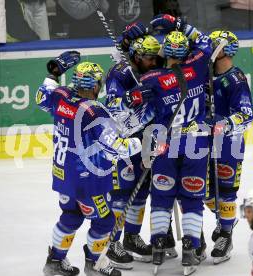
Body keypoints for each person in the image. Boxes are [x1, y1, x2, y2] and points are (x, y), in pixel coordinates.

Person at [35, 51, 142, 276]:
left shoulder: (61, 96)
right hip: (89, 180)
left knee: (71, 215)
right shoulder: (94, 111)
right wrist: (143, 143)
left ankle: (54, 261)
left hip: (63, 174)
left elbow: (41, 98)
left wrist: (53, 74)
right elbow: (117, 147)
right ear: (96, 85)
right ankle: (95, 264)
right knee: (104, 221)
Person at [123, 14, 212, 275]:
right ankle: (191, 249)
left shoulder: (152, 78)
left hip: (165, 145)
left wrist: (135, 95)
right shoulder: (197, 65)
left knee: (161, 197)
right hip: (196, 144)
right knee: (192, 199)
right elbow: (206, 43)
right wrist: (182, 25)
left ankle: (159, 245)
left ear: (165, 52)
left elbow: (133, 105)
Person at [102, 22, 165, 269]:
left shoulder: (151, 68)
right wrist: (132, 98)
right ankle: (111, 242)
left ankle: (131, 237)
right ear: (137, 56)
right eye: (149, 58)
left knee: (141, 190)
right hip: (122, 140)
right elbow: (113, 105)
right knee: (121, 193)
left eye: (155, 58)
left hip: (146, 138)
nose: (154, 62)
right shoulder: (119, 71)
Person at [205, 29, 253, 265]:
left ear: (227, 50)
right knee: (201, 191)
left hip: (229, 144)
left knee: (226, 191)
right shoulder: (205, 76)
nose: (210, 48)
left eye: (215, 45)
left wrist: (223, 124)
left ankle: (225, 234)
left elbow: (246, 115)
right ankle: (227, 219)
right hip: (202, 143)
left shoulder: (236, 79)